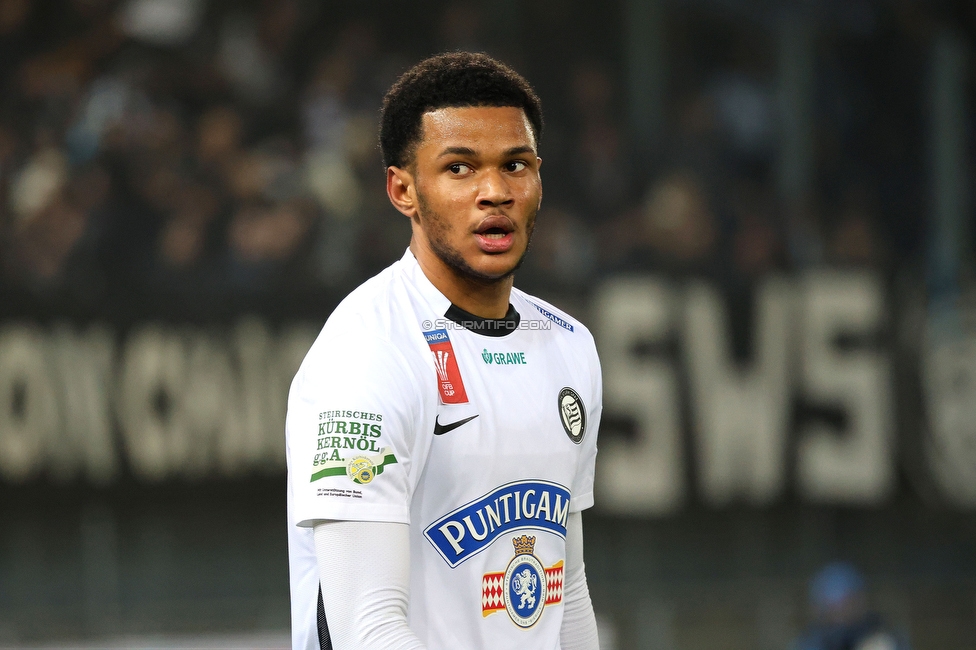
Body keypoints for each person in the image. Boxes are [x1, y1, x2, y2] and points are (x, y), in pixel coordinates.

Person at [285, 52, 602, 650]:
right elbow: (369, 631)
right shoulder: (365, 355)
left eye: (516, 165)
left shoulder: (570, 346)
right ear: (402, 189)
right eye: (460, 168)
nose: (495, 192)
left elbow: (569, 590)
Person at [791, 562, 911, 650]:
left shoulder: (883, 640)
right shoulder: (810, 641)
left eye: (846, 604)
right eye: (831, 608)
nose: (839, 614)